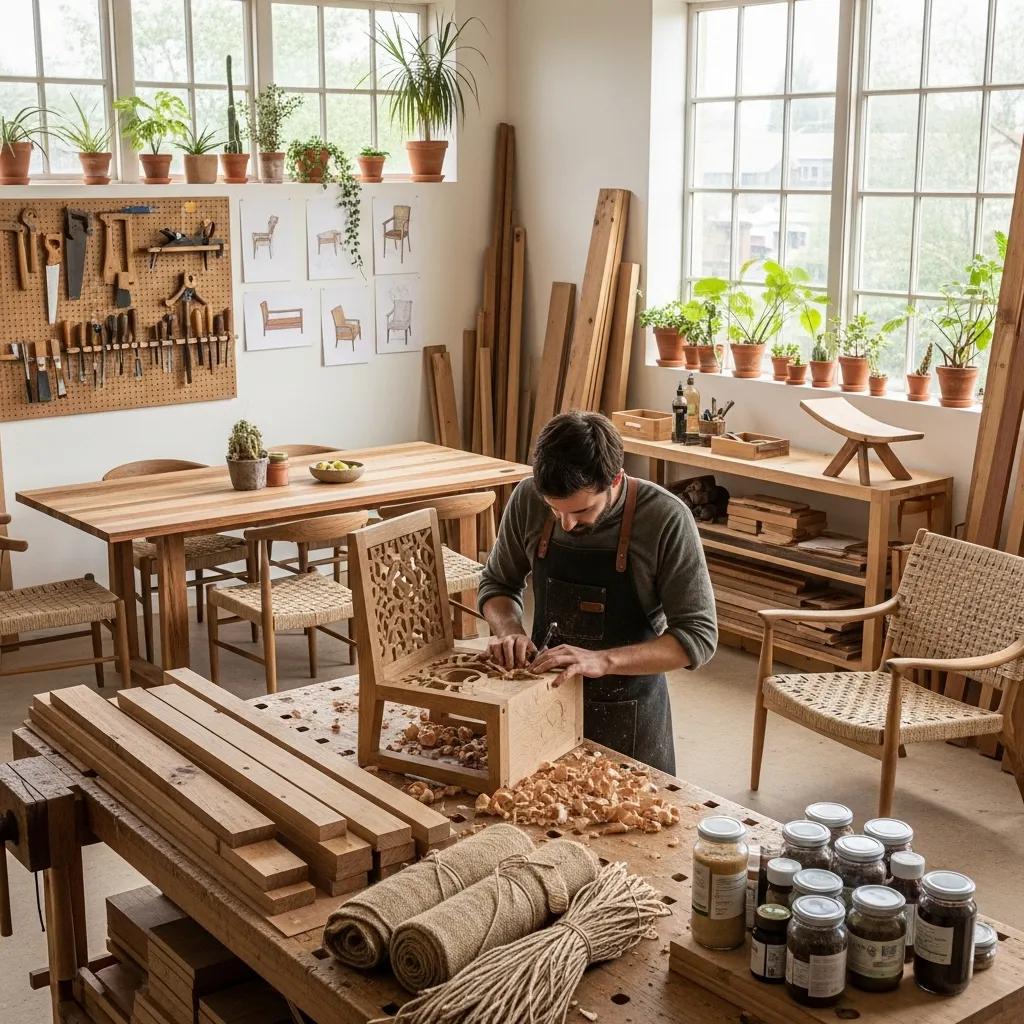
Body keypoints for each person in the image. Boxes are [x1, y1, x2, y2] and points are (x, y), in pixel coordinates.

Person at [478, 411, 717, 774]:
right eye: (554, 510)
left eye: (582, 510)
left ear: (615, 478)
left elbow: (697, 637)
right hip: (546, 701)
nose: (566, 523)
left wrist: (602, 660)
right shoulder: (528, 497)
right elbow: (497, 583)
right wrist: (509, 630)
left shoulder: (665, 518)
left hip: (630, 714)